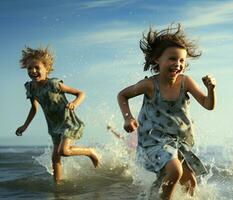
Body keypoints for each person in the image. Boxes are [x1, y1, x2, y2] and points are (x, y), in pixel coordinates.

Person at [117, 24, 216, 200]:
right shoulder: (149, 85)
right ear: (157, 59)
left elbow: (208, 105)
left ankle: (154, 195)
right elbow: (122, 95)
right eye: (172, 59)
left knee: (190, 183)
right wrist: (128, 118)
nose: (177, 64)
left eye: (181, 61)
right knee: (175, 170)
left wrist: (211, 90)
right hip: (154, 139)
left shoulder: (186, 82)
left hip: (179, 141)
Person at [15, 46, 100, 184]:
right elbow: (34, 109)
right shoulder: (30, 88)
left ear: (46, 69)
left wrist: (74, 103)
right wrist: (25, 126)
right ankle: (58, 187)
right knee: (55, 158)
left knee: (64, 151)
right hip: (54, 126)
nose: (33, 71)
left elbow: (81, 93)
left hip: (68, 122)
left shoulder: (54, 84)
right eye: (29, 68)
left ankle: (90, 151)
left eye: (37, 67)